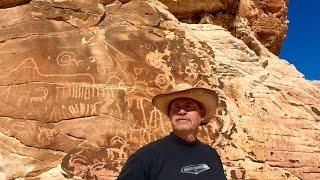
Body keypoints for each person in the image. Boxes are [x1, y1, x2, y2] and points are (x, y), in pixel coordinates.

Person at [117, 83, 226, 180]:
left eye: (188, 106)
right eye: (176, 107)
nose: (182, 111)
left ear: (201, 114)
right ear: (170, 115)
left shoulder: (211, 155)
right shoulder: (146, 157)